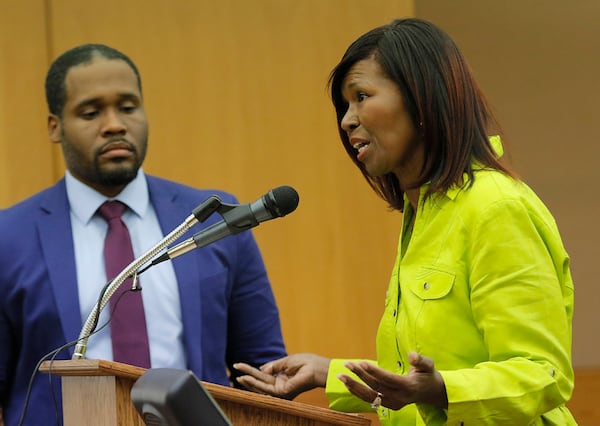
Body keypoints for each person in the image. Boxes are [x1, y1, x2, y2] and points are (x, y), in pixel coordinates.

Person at [234, 18, 576, 425]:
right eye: (345, 105)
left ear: (422, 99)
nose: (347, 120)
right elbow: (416, 378)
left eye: (361, 96)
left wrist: (441, 390)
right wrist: (327, 373)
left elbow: (542, 374)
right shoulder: (422, 213)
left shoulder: (495, 206)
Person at [0, 44, 286, 426]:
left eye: (129, 107)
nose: (115, 124)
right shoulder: (9, 236)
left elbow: (262, 371)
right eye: (91, 112)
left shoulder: (212, 221)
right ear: (55, 126)